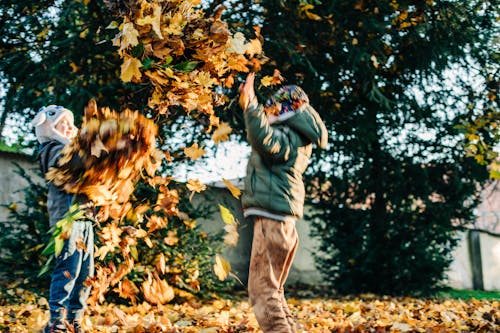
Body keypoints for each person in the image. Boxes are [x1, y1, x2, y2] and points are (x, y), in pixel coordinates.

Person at [238, 73, 328, 332]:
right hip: (282, 222)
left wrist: (252, 106)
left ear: (285, 112)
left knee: (261, 291)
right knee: (274, 289)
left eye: (271, 111)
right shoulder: (299, 137)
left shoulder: (288, 136)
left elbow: (266, 141)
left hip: (273, 220)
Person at [31, 105, 95, 333]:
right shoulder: (51, 148)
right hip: (67, 221)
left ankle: (74, 321)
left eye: (70, 123)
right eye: (61, 124)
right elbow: (68, 164)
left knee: (86, 275)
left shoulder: (75, 150)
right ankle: (57, 322)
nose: (68, 127)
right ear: (49, 128)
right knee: (68, 270)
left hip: (86, 221)